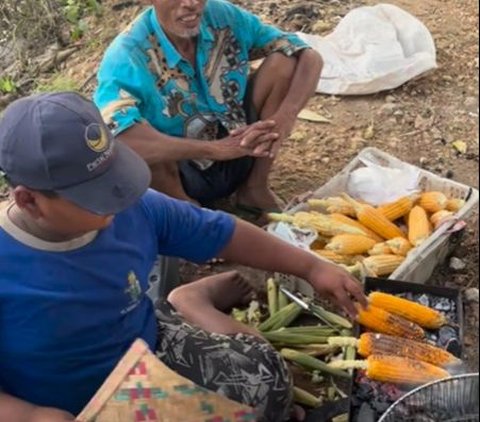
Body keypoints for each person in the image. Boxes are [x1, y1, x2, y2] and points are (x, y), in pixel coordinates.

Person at [0, 92, 365, 422]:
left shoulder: (134, 206)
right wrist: (31, 415)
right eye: (96, 197)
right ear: (29, 200)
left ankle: (186, 302)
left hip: (142, 355)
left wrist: (312, 266)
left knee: (265, 379)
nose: (118, 199)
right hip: (71, 407)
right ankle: (187, 302)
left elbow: (220, 232)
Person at [93, 0, 323, 219]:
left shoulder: (221, 15)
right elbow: (118, 139)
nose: (191, 3)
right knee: (139, 141)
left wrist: (285, 117)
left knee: (285, 61)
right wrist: (214, 149)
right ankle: (190, 216)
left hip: (242, 146)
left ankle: (254, 187)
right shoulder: (126, 55)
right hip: (180, 174)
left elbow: (308, 55)